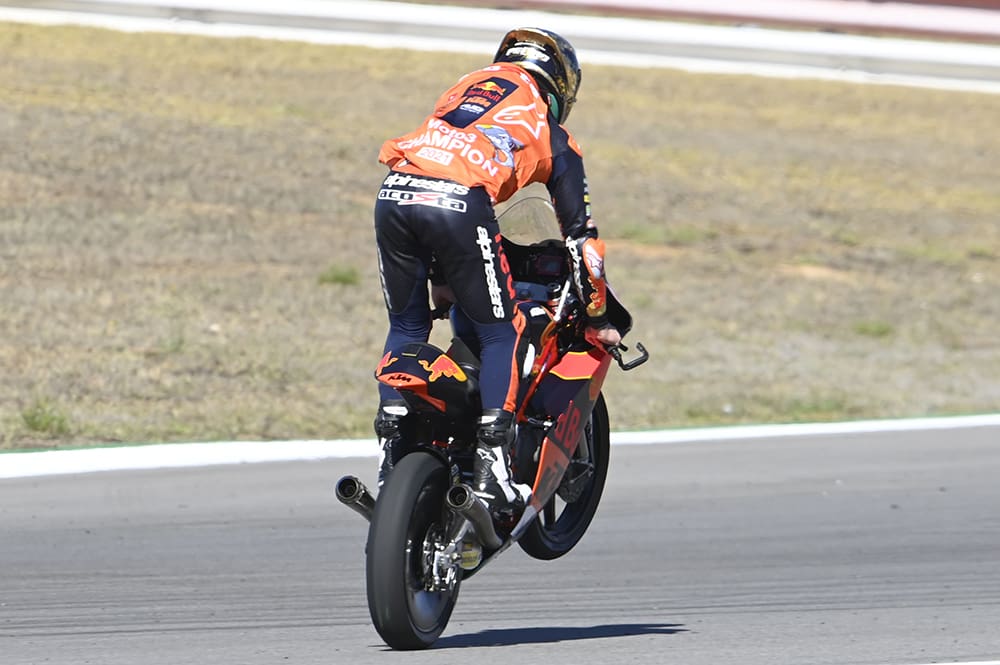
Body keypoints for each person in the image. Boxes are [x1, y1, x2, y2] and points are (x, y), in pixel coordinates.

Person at [372, 27, 621, 518]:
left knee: (407, 324)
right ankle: (492, 469)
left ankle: (391, 451)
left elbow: (440, 163)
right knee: (501, 331)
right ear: (561, 87)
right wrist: (598, 316)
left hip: (395, 192)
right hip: (460, 202)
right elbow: (582, 243)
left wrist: (441, 274)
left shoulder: (466, 86)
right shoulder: (551, 132)